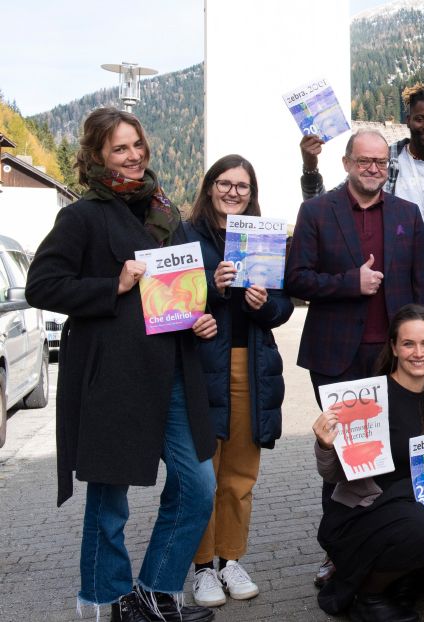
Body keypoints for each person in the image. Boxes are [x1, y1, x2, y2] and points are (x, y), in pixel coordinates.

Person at [24, 107, 217, 622]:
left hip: (173, 369)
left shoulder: (165, 211)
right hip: (113, 376)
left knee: (199, 486)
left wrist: (199, 316)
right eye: (119, 148)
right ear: (95, 156)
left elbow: (182, 292)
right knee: (110, 498)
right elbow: (41, 285)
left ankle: (155, 589)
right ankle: (103, 601)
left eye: (137, 145)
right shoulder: (82, 215)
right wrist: (113, 284)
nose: (133, 157)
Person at [286, 128, 424, 587]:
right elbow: (296, 279)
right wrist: (350, 283)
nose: (373, 168)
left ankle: (397, 542)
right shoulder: (316, 211)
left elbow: (421, 287)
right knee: (346, 458)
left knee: (395, 453)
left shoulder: (407, 215)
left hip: (395, 358)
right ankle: (339, 551)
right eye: (364, 160)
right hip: (337, 358)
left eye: (380, 162)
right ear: (348, 163)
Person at [312, 305, 424, 620]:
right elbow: (333, 474)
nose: (418, 353)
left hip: (422, 509)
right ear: (394, 347)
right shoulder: (367, 399)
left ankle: (402, 579)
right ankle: (366, 596)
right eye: (408, 344)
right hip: (366, 512)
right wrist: (325, 446)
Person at [183, 155, 295, 606]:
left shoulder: (265, 239)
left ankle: (230, 559)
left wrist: (261, 303)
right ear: (210, 187)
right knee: (201, 474)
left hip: (251, 364)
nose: (233, 192)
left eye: (242, 186)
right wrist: (210, 289)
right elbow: (166, 302)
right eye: (225, 183)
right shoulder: (188, 234)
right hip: (201, 365)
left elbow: (284, 308)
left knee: (241, 473)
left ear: (252, 192)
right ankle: (202, 567)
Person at [299, 84, 424, 330]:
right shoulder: (381, 162)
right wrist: (310, 167)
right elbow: (326, 207)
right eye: (420, 118)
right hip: (390, 290)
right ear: (408, 120)